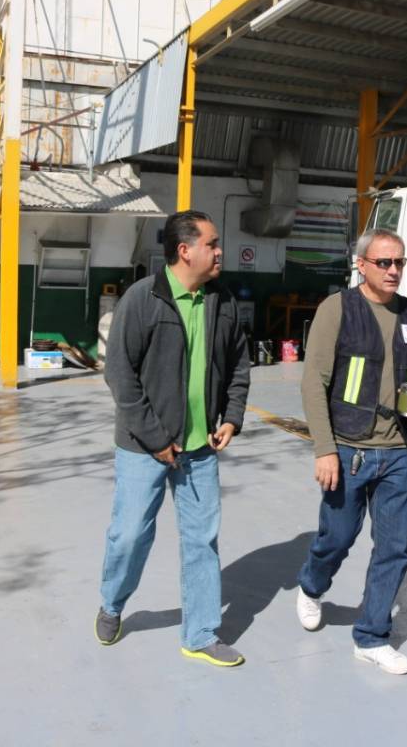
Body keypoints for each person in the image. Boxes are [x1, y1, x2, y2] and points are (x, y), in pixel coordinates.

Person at [95, 210, 251, 668]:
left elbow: (239, 366)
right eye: (213, 244)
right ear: (185, 250)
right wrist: (156, 438)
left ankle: (200, 634)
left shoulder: (222, 302)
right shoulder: (143, 299)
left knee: (202, 541)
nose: (220, 251)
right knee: (130, 536)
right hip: (143, 448)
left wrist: (233, 417)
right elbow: (120, 376)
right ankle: (113, 604)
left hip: (201, 450)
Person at [295, 228, 407, 675]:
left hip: (398, 451)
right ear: (362, 265)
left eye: (400, 263)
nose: (394, 271)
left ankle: (371, 637)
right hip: (349, 448)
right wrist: (324, 449)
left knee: (395, 546)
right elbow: (313, 382)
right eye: (384, 263)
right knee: (336, 537)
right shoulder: (338, 309)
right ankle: (312, 586)